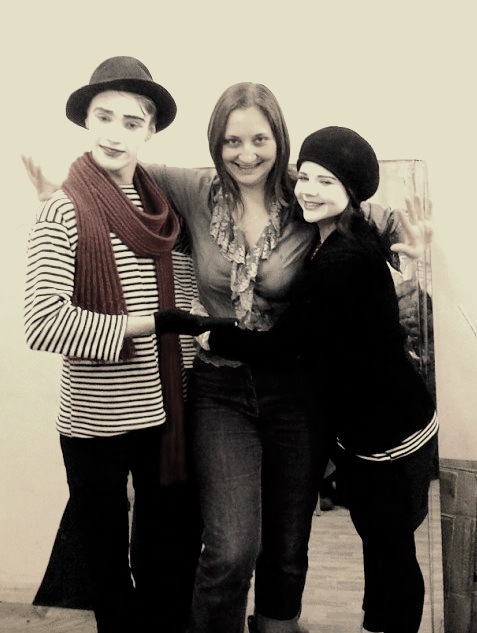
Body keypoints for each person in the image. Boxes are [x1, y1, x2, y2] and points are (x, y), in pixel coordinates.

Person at [23, 83, 430, 633]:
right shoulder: (191, 189)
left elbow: (363, 209)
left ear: (279, 141)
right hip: (220, 389)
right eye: (232, 141)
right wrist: (65, 194)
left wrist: (410, 239)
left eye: (259, 139)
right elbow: (121, 175)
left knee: (287, 545)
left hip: (295, 390)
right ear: (215, 143)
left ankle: (276, 625)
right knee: (231, 548)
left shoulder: (303, 191)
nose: (246, 154)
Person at [23, 56, 232, 633]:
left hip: (169, 413)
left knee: (168, 558)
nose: (115, 133)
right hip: (96, 419)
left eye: (132, 121)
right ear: (86, 122)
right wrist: (150, 323)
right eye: (103, 117)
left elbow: (193, 302)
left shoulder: (169, 213)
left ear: (151, 130)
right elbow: (43, 323)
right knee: (107, 565)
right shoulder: (64, 210)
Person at [208, 126, 438, 633]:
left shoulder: (343, 258)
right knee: (384, 545)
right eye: (305, 178)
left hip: (390, 433)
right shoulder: (343, 235)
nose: (309, 191)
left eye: (326, 182)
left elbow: (282, 344)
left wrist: (212, 336)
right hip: (377, 426)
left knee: (391, 552)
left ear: (350, 192)